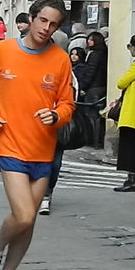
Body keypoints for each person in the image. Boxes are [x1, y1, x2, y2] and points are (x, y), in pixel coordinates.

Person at [0, 0, 74, 270]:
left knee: (29, 223)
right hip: (9, 144)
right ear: (31, 19)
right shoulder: (2, 51)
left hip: (43, 150)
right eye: (43, 20)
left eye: (54, 24)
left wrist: (57, 115)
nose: (47, 28)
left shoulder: (60, 59)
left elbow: (67, 103)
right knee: (24, 214)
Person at [40, 46, 86, 216]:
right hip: (36, 125)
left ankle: (46, 194)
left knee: (55, 163)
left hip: (58, 124)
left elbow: (73, 99)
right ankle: (37, 191)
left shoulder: (68, 75)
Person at [113, 28, 135, 192]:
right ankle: (132, 179)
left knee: (130, 146)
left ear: (133, 47)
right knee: (133, 145)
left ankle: (132, 180)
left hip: (133, 112)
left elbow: (121, 82)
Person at [79, 31, 108, 148]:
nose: (88, 41)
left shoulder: (94, 54)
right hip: (101, 86)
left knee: (91, 116)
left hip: (94, 87)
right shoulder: (103, 53)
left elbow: (90, 72)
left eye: (91, 39)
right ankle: (98, 140)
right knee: (97, 117)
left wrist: (83, 86)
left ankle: (92, 140)